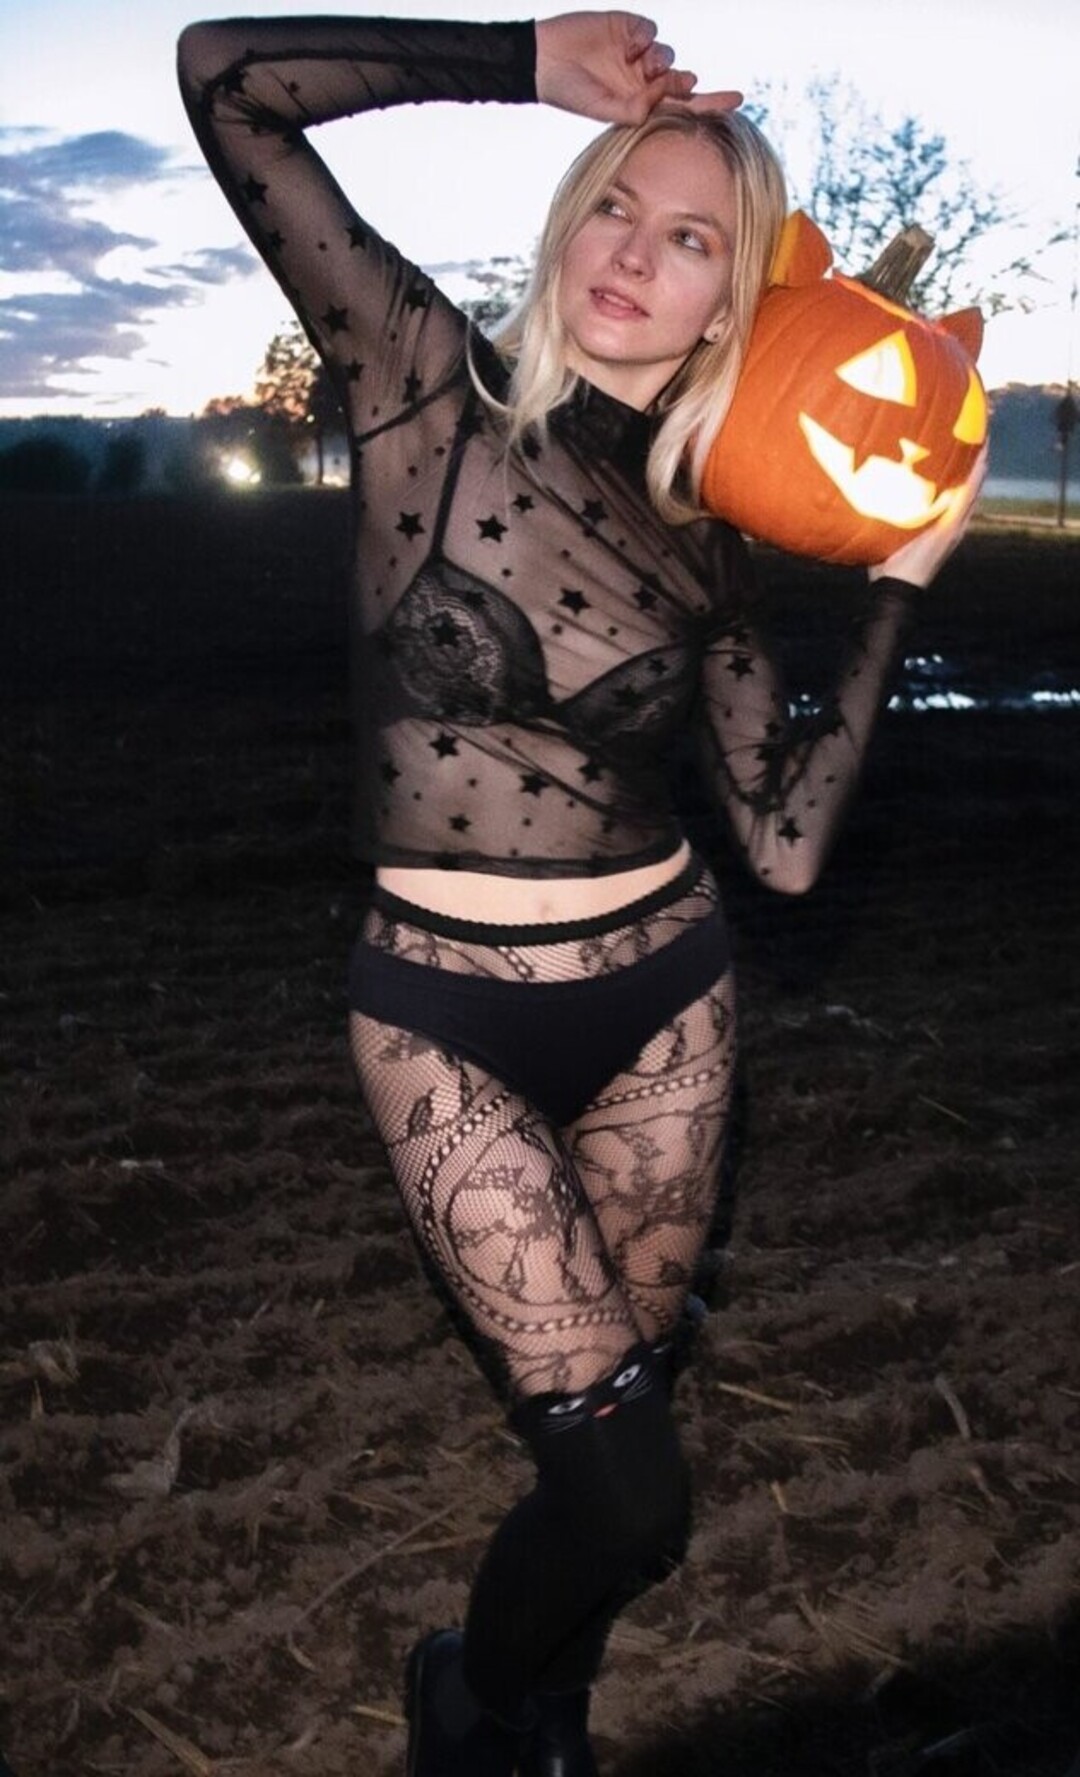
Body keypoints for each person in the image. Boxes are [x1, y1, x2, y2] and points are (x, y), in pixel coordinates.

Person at [177, 13, 984, 1775]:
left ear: (733, 300)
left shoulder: (711, 541)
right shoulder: (420, 389)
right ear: (566, 218)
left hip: (664, 1010)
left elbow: (783, 844)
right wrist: (524, 65)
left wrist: (900, 585)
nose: (632, 251)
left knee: (616, 1442)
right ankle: (468, 1698)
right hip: (440, 1012)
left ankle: (536, 1708)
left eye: (690, 237)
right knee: (628, 1493)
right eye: (615, 203)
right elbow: (225, 81)